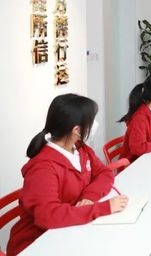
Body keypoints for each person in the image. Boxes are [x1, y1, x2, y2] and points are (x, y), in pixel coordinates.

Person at [7, 94, 128, 256]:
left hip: (69, 232)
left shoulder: (80, 148)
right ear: (76, 130)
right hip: (37, 243)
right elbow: (48, 215)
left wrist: (89, 196)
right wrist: (104, 208)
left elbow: (104, 173)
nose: (94, 125)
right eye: (92, 120)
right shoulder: (43, 168)